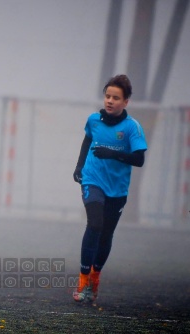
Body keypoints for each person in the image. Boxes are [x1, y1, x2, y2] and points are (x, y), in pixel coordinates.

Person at [72, 75, 147, 302]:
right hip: (93, 180)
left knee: (106, 233)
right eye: (107, 96)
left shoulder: (132, 127)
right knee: (95, 223)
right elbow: (87, 140)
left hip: (117, 189)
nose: (110, 101)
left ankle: (95, 277)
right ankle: (83, 280)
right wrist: (79, 166)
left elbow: (139, 159)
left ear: (126, 102)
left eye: (116, 98)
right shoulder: (94, 120)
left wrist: (112, 153)